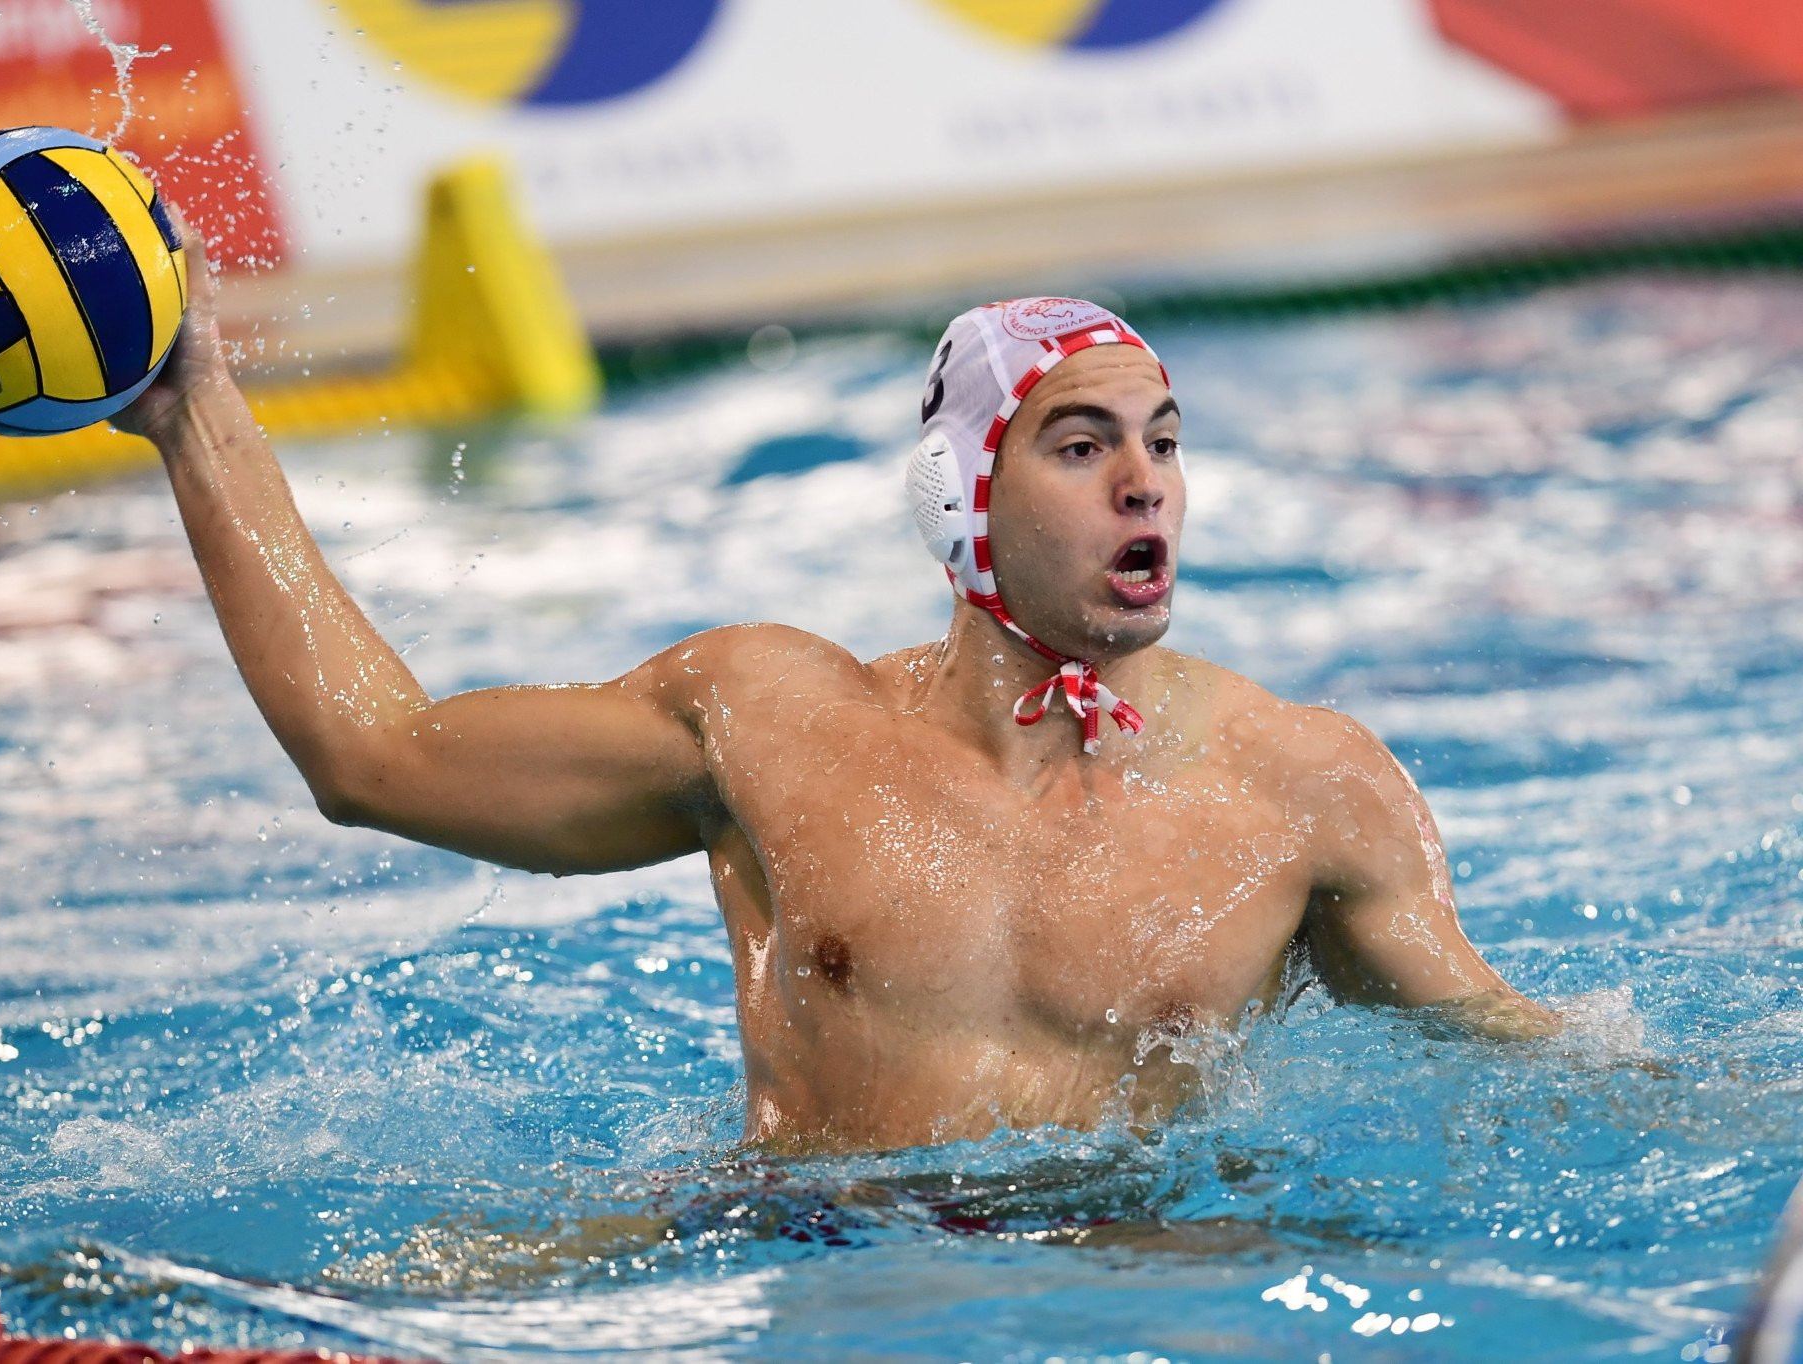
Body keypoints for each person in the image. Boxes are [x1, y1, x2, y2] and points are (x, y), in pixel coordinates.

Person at [117, 232, 1559, 1156]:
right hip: (822, 1254)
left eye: (1163, 441)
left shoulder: (1301, 784)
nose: (1146, 483)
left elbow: (1533, 1068)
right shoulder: (773, 719)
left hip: (1150, 1279)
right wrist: (195, 418)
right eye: (1080, 445)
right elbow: (372, 759)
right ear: (961, 496)